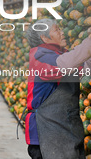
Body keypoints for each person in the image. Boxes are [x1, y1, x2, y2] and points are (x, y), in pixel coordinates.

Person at [25, 19, 91, 159]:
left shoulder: (60, 55)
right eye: (57, 30)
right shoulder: (40, 56)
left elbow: (85, 69)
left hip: (68, 130)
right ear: (44, 38)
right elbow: (66, 64)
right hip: (47, 132)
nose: (62, 33)